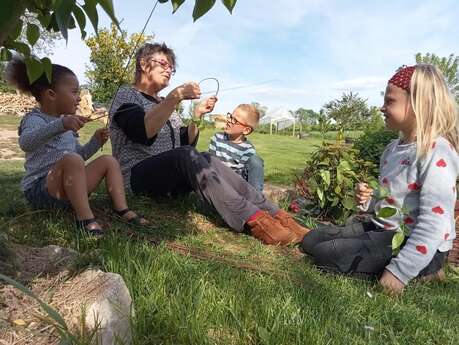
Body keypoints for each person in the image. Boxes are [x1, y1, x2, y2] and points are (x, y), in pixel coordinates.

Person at [109, 42, 309, 245]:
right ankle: (256, 221)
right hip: (135, 178)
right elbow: (143, 132)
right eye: (163, 63)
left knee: (207, 158)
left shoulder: (164, 105)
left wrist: (197, 114)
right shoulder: (127, 96)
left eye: (172, 67)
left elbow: (186, 143)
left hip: (167, 179)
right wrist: (175, 97)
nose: (169, 70)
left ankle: (278, 215)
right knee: (187, 155)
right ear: (143, 64)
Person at [301, 64, 459, 295]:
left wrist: (399, 273)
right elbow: (390, 201)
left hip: (414, 242)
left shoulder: (437, 152)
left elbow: (434, 224)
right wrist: (369, 200)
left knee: (327, 255)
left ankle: (427, 269)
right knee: (311, 239)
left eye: (390, 101)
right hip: (383, 228)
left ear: (419, 105)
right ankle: (412, 264)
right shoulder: (393, 149)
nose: (382, 108)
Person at [6, 57, 148, 236]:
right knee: (71, 160)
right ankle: (85, 219)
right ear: (51, 94)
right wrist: (61, 125)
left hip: (70, 189)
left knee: (108, 161)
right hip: (41, 191)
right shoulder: (35, 119)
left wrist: (96, 142)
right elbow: (25, 143)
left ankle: (122, 209)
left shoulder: (65, 123)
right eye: (74, 92)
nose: (79, 98)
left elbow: (79, 158)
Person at [209, 104, 264, 192]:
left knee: (256, 161)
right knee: (203, 156)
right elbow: (211, 165)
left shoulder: (248, 149)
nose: (229, 121)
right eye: (230, 116)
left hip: (236, 186)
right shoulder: (217, 138)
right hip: (217, 181)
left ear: (246, 130)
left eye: (235, 120)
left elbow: (239, 178)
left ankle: (256, 199)